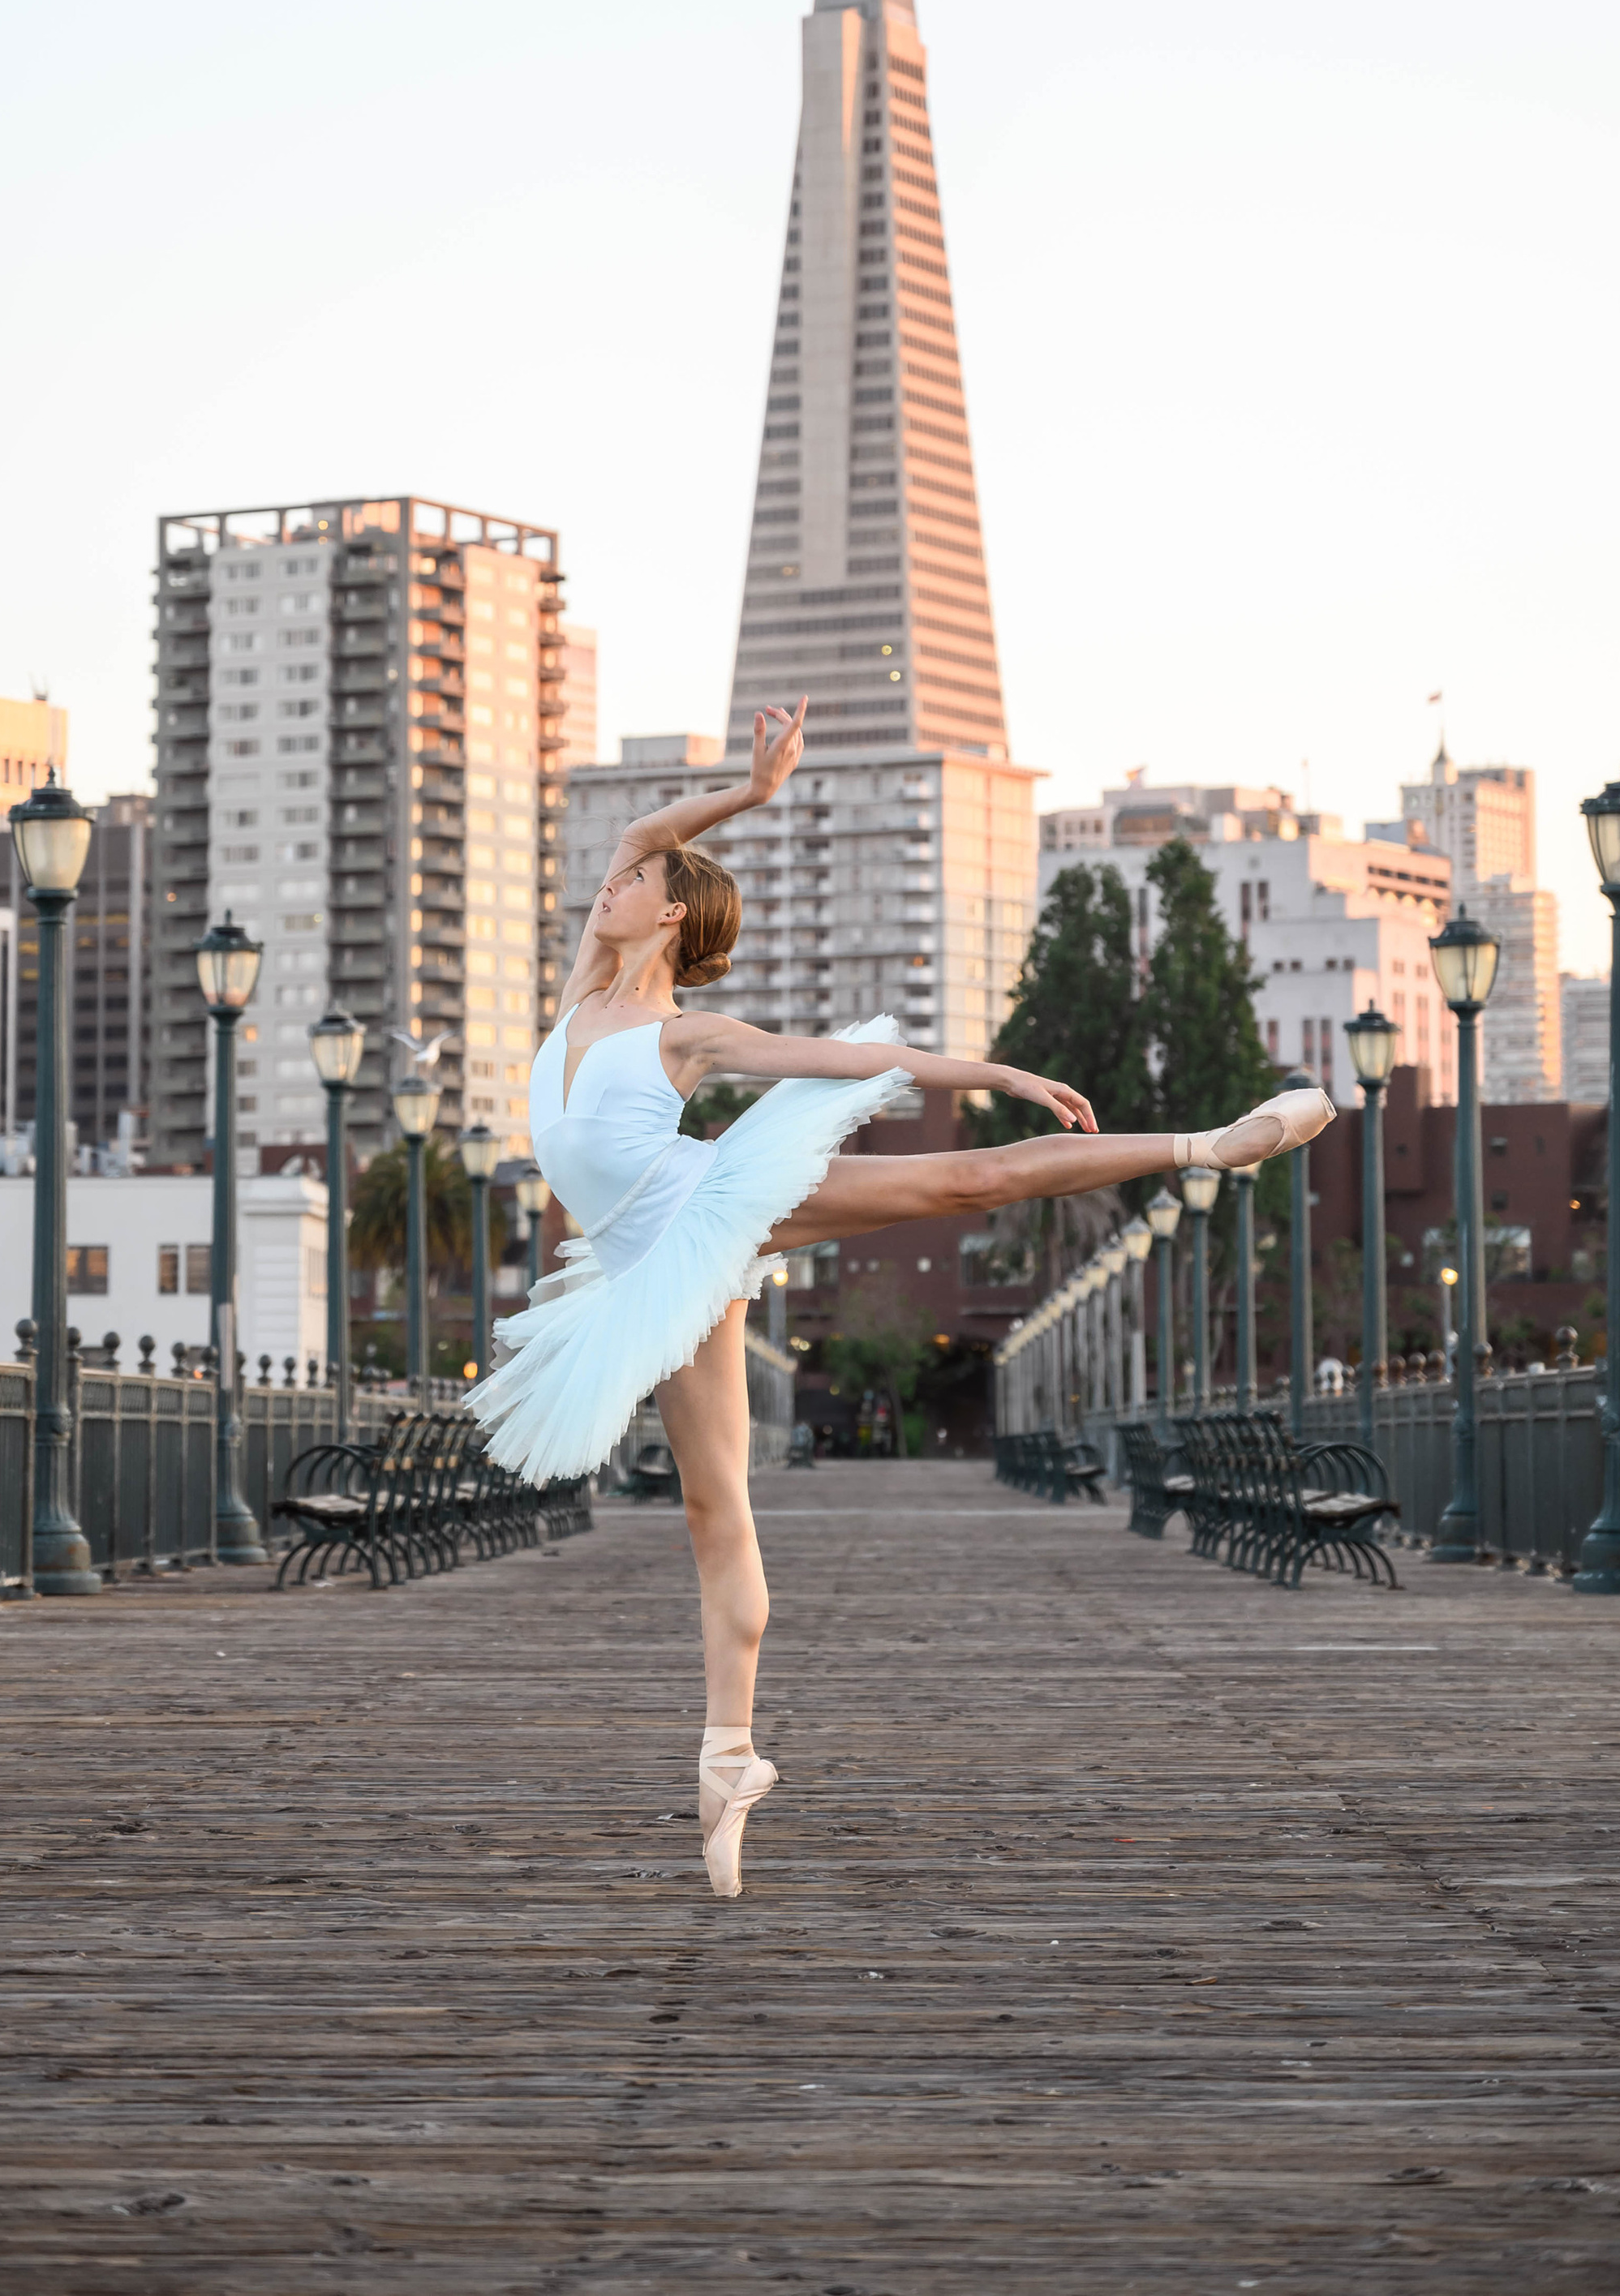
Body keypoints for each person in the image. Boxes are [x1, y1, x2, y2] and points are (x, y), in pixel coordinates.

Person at [465, 697, 1333, 1899]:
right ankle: (729, 1758)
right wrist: (751, 794)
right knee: (715, 1514)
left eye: (631, 883)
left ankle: (1210, 1145)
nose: (605, 885)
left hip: (707, 1206)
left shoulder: (686, 1034)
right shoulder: (581, 990)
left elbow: (855, 1061)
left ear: (669, 913)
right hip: (643, 1274)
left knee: (962, 1177)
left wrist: (994, 1069)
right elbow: (644, 826)